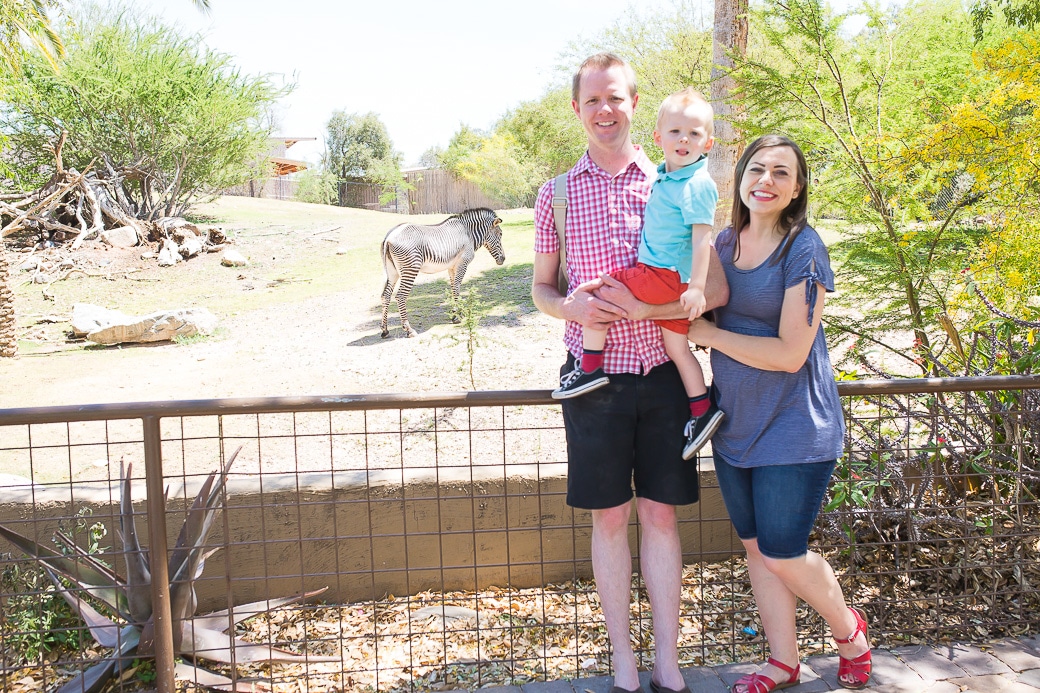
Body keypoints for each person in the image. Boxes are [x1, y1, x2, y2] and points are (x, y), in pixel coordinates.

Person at [532, 53, 725, 693]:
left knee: (663, 517)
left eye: (615, 98)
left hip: (665, 374)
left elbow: (709, 286)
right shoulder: (554, 194)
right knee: (609, 517)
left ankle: (667, 659)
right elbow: (541, 289)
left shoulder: (675, 180)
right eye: (592, 101)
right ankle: (623, 659)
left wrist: (649, 307)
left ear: (635, 103)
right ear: (577, 109)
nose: (605, 111)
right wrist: (571, 306)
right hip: (594, 381)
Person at [687, 134, 872, 692]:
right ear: (740, 178)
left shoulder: (804, 249)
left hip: (796, 427)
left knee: (783, 553)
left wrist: (712, 335)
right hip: (735, 425)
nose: (765, 180)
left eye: (781, 173)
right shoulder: (722, 243)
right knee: (756, 551)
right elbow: (688, 294)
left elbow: (792, 354)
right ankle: (782, 661)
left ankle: (849, 632)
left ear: (796, 189)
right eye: (757, 169)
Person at [551, 87, 725, 461]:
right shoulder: (666, 178)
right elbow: (540, 288)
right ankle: (701, 409)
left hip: (663, 281)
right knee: (678, 348)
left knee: (604, 287)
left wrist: (695, 289)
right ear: (659, 137)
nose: (684, 140)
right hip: (670, 285)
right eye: (676, 133)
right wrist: (568, 309)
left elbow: (702, 242)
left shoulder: (693, 184)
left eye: (694, 134)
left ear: (708, 143)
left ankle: (590, 367)